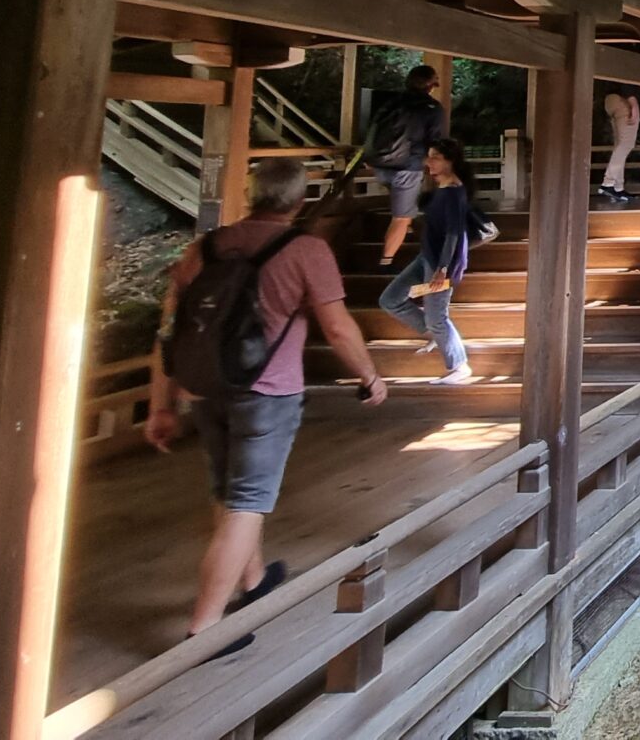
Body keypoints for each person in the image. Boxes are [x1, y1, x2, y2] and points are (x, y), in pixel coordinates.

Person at [146, 159, 386, 645]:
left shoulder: (206, 248)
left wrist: (162, 404)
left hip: (205, 388)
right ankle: (206, 629)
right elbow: (337, 328)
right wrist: (369, 376)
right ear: (299, 200)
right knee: (247, 502)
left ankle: (252, 580)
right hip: (267, 392)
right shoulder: (306, 250)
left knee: (227, 492)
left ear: (250, 194)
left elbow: (170, 331)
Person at [377, 139, 478, 384]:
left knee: (437, 317)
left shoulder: (454, 192)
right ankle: (437, 335)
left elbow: (453, 234)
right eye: (429, 156)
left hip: (442, 264)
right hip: (426, 258)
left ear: (449, 161)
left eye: (435, 157)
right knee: (390, 299)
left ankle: (460, 366)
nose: (428, 162)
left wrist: (442, 269)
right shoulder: (440, 187)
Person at [366, 65, 447, 271]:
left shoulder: (391, 102)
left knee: (403, 204)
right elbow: (435, 141)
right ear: (431, 86)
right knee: (401, 218)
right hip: (408, 167)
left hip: (379, 164)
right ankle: (386, 261)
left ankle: (407, 226)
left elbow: (372, 129)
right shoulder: (432, 108)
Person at [596, 89, 640, 208]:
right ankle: (608, 183)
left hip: (611, 99)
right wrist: (633, 103)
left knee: (620, 145)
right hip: (623, 100)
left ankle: (618, 187)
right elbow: (628, 81)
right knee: (626, 144)